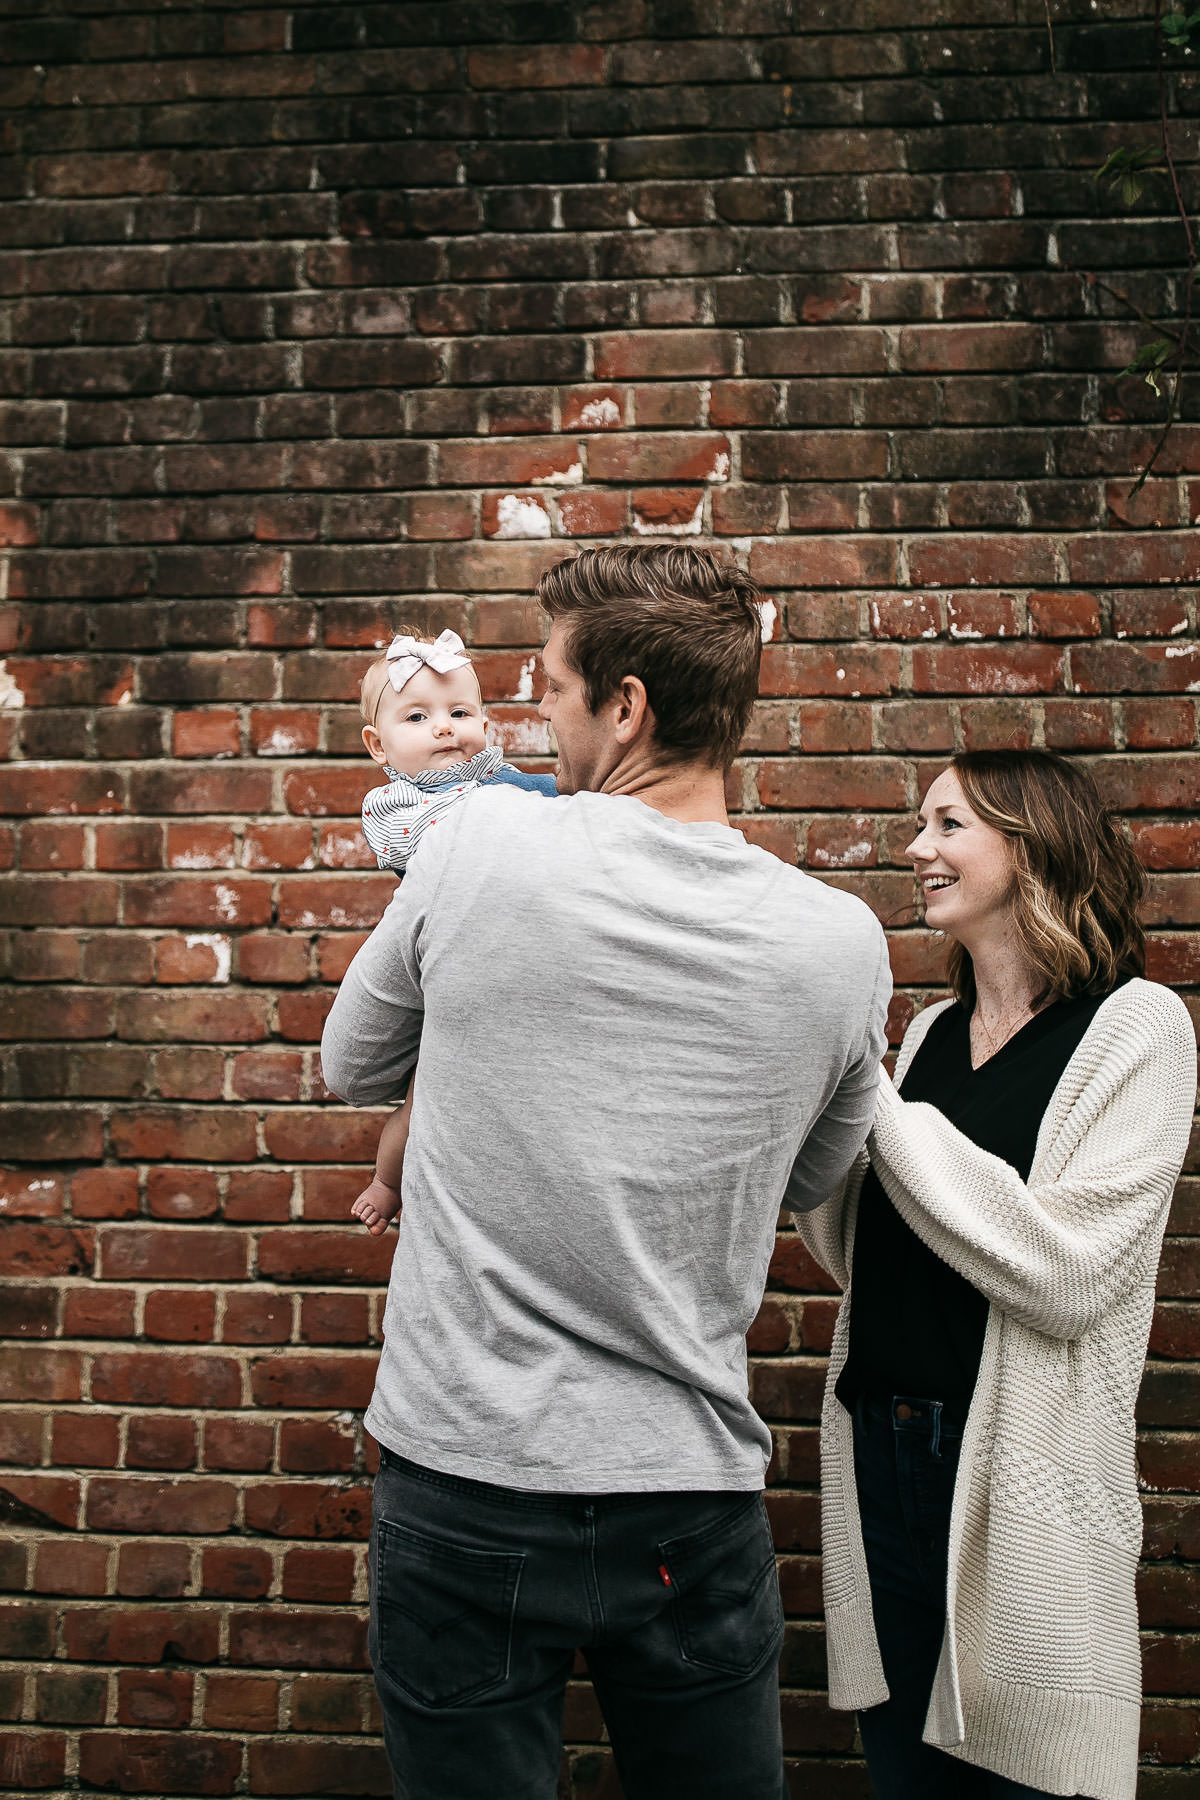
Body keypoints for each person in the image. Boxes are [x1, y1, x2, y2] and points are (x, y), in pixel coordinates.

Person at [320, 544, 893, 1800]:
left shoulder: (472, 848)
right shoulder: (842, 945)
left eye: (550, 686)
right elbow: (811, 1181)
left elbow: (354, 1066)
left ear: (624, 705)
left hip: (466, 1472)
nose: (531, 717)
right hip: (688, 1484)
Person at [796, 750, 1196, 1800]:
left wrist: (867, 1096)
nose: (915, 848)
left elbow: (1066, 1275)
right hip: (879, 1451)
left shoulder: (1137, 1030)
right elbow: (856, 1253)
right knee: (906, 1778)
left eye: (946, 824)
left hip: (1013, 1468)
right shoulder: (927, 1036)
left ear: (1029, 847)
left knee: (1026, 1779)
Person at [349, 626, 557, 1236]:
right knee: (421, 1099)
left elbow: (559, 797)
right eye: (417, 716)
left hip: (510, 961)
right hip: (444, 971)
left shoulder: (500, 779)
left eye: (460, 712)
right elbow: (422, 844)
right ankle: (388, 1182)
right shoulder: (395, 804)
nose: (444, 727)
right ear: (377, 745)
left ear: (485, 727)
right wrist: (494, 809)